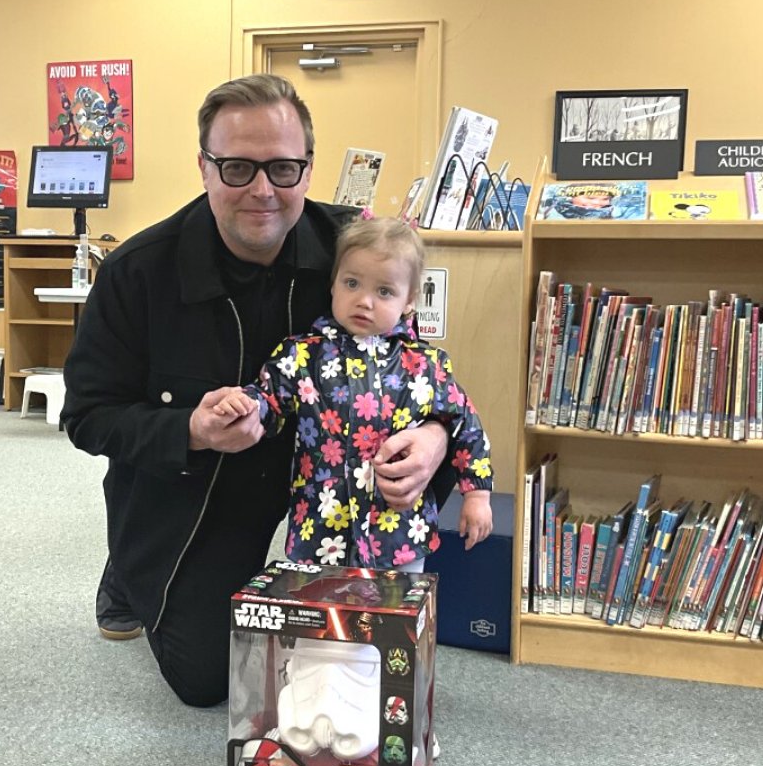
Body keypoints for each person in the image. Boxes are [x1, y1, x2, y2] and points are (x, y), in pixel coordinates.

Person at [61, 73, 450, 707]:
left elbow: (422, 368)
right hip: (201, 489)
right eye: (237, 168)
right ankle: (129, 572)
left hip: (332, 484)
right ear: (204, 168)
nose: (263, 190)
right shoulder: (138, 272)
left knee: (364, 643)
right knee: (210, 681)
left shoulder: (351, 248)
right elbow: (88, 415)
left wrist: (433, 436)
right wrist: (190, 428)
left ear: (308, 167)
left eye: (283, 168)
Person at [211, 214, 494, 571]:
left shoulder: (426, 364)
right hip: (321, 528)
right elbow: (269, 399)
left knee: (393, 623)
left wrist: (477, 494)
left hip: (399, 533)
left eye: (384, 291)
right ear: (333, 285)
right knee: (320, 621)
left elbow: (466, 425)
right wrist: (245, 405)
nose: (364, 301)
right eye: (352, 283)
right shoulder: (302, 354)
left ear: (410, 300)